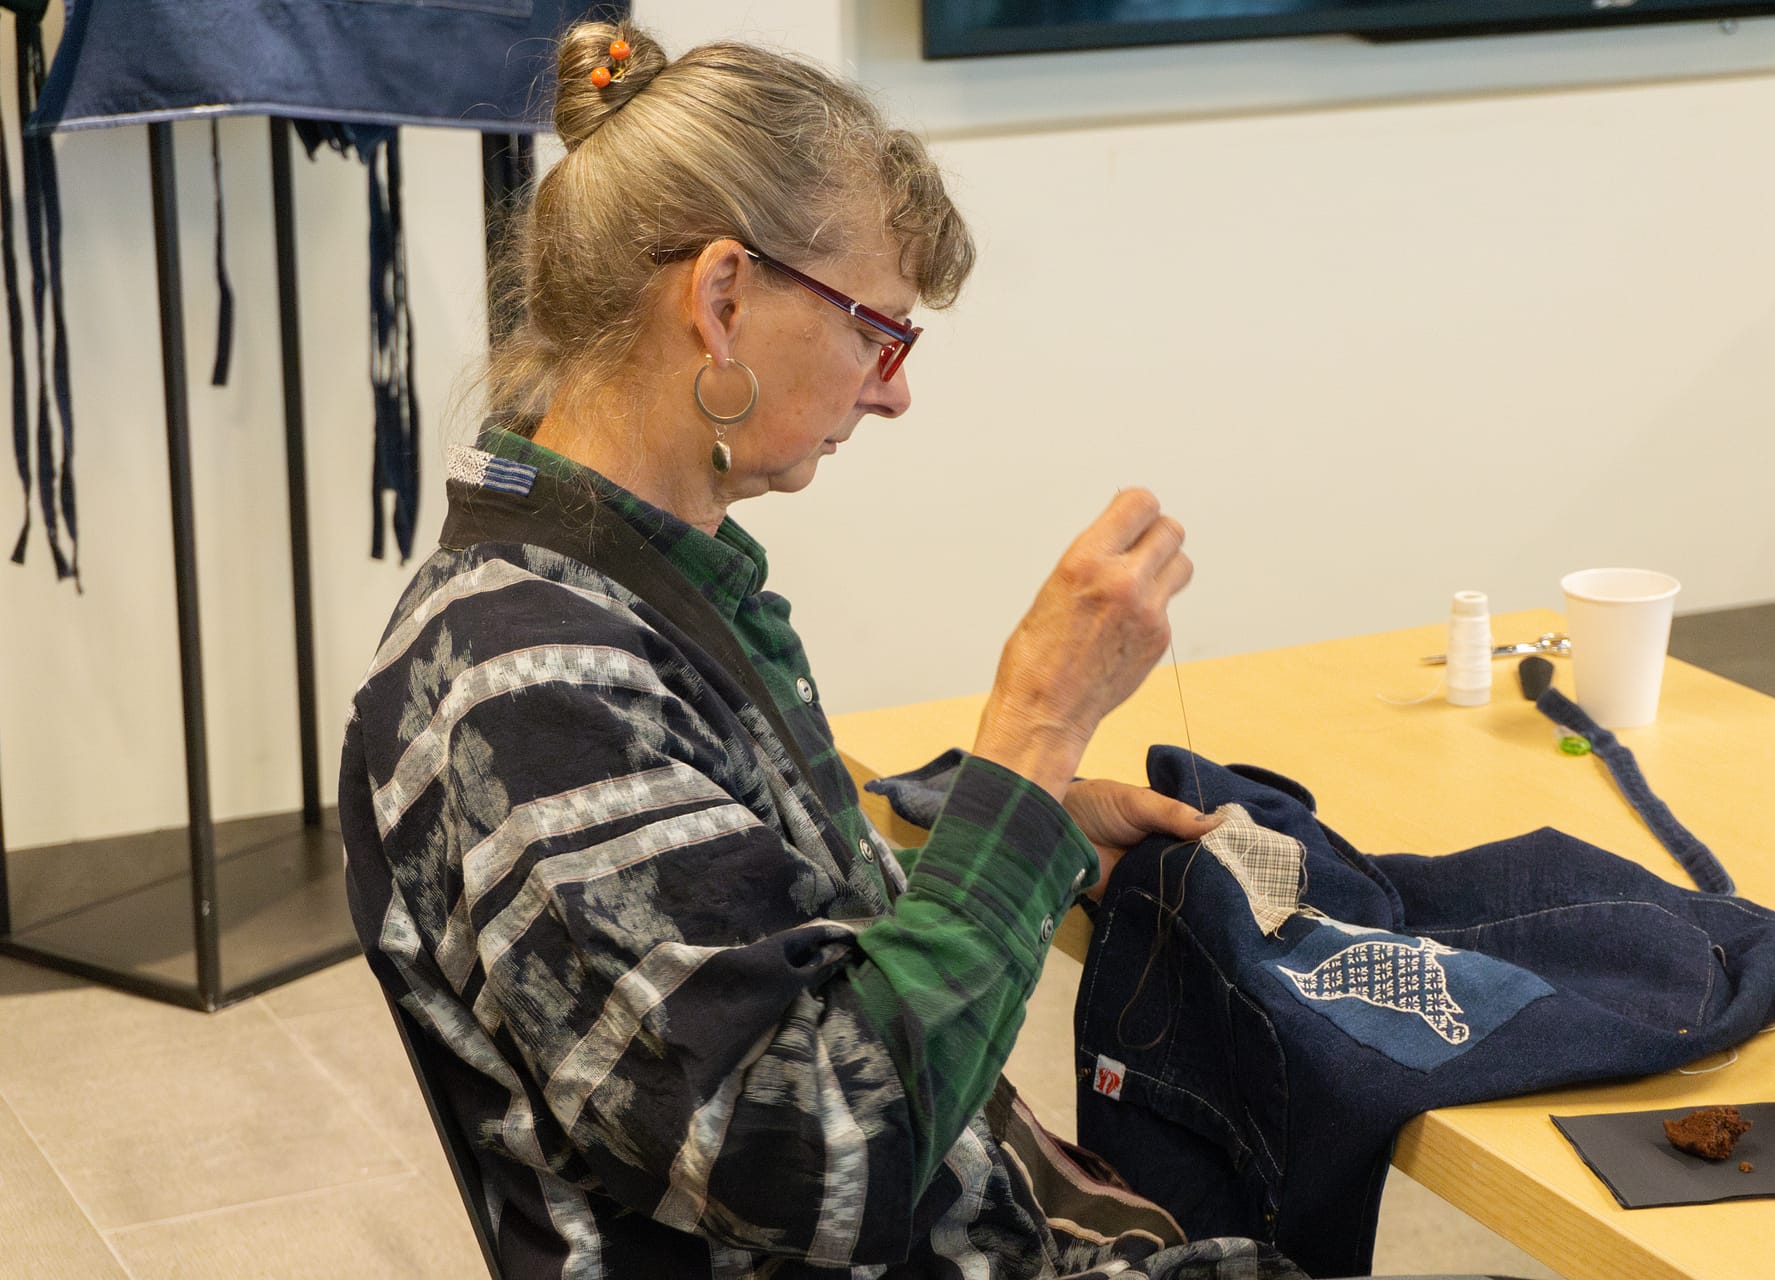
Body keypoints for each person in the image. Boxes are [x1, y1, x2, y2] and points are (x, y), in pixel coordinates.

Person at [340, 20, 1472, 1280]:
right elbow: (821, 1157)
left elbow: (756, 919)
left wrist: (1033, 824)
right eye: (878, 331)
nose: (893, 389)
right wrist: (1034, 729)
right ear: (721, 299)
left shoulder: (621, 590)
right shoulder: (531, 682)